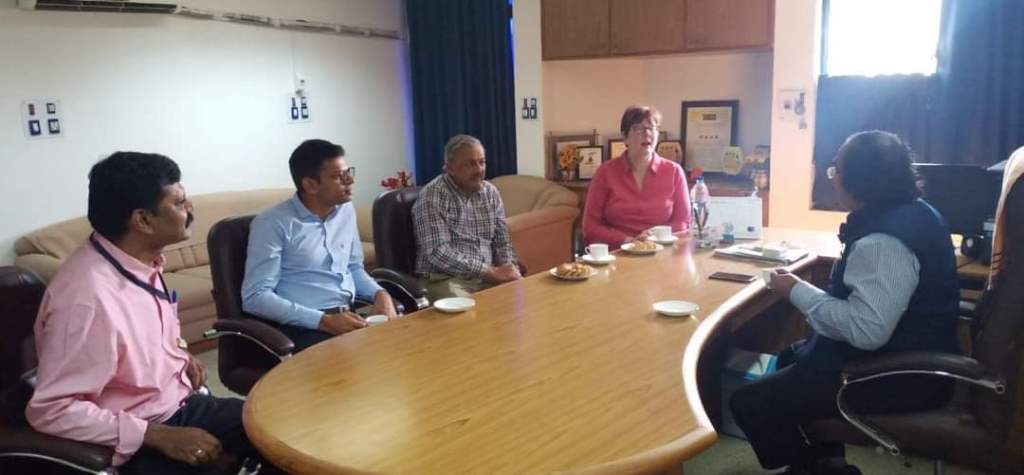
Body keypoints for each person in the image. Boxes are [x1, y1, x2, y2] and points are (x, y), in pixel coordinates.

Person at [26, 152, 280, 474]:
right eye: (179, 202)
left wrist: (176, 355)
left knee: (281, 430)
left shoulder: (140, 261)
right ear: (143, 221)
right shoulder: (86, 300)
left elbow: (136, 342)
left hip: (177, 403)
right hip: (138, 438)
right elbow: (52, 410)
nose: (190, 209)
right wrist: (156, 435)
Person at [730, 131, 961, 475]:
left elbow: (866, 331)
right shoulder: (917, 212)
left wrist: (794, 290)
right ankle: (827, 462)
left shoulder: (882, 242)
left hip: (899, 377)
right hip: (909, 358)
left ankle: (813, 467)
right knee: (791, 357)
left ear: (858, 180)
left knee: (749, 404)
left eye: (835, 170)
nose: (832, 177)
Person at [242, 139, 397, 352]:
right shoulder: (272, 224)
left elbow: (353, 268)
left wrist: (381, 295)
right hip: (303, 327)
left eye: (348, 172)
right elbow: (255, 297)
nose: (350, 180)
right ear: (310, 185)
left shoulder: (345, 210)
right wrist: (323, 321)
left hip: (348, 316)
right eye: (338, 176)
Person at [412, 134, 521, 299]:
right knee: (469, 309)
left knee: (521, 299)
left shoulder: (490, 193)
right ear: (450, 168)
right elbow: (438, 253)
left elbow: (502, 242)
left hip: (488, 275)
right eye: (470, 164)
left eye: (482, 162)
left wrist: (509, 268)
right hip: (444, 278)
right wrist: (489, 272)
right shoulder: (432, 196)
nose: (479, 170)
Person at [582, 105, 691, 249]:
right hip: (617, 253)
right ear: (625, 137)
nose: (647, 133)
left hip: (660, 251)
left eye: (651, 128)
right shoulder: (605, 172)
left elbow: (682, 222)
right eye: (639, 129)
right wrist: (627, 241)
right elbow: (590, 226)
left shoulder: (674, 172)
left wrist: (654, 235)